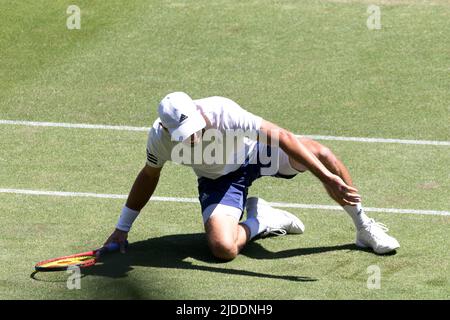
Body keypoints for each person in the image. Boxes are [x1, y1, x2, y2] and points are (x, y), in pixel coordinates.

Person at [104, 92, 399, 260]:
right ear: (167, 130)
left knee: (322, 155)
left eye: (194, 128)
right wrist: (122, 228)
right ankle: (264, 220)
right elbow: (149, 175)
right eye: (185, 135)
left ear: (196, 110)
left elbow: (281, 136)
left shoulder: (222, 110)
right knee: (223, 249)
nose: (193, 136)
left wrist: (325, 177)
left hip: (259, 154)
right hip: (221, 180)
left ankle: (364, 227)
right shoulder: (158, 138)